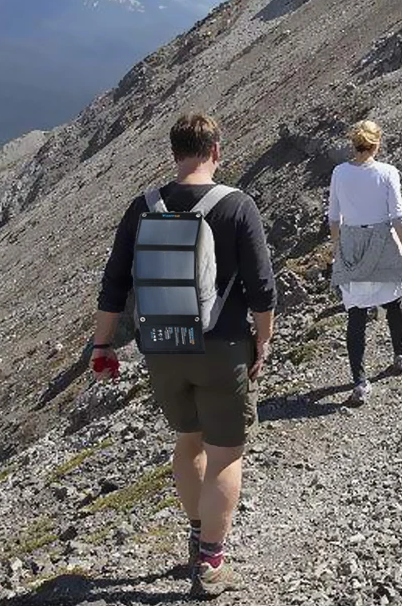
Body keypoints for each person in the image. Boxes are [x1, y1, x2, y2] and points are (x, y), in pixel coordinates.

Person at [91, 112, 275, 599]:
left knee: (187, 443)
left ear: (175, 153)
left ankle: (196, 536)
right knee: (226, 454)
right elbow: (262, 288)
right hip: (222, 347)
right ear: (216, 150)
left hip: (164, 347)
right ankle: (211, 562)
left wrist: (102, 345)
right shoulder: (238, 206)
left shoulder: (144, 206)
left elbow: (114, 283)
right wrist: (264, 341)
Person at [328, 120, 402, 406]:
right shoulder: (387, 172)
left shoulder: (339, 173)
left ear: (353, 144)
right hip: (383, 240)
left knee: (356, 313)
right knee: (394, 300)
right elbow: (398, 217)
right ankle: (400, 354)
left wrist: (337, 250)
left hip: (352, 244)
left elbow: (334, 217)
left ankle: (359, 382)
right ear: (376, 143)